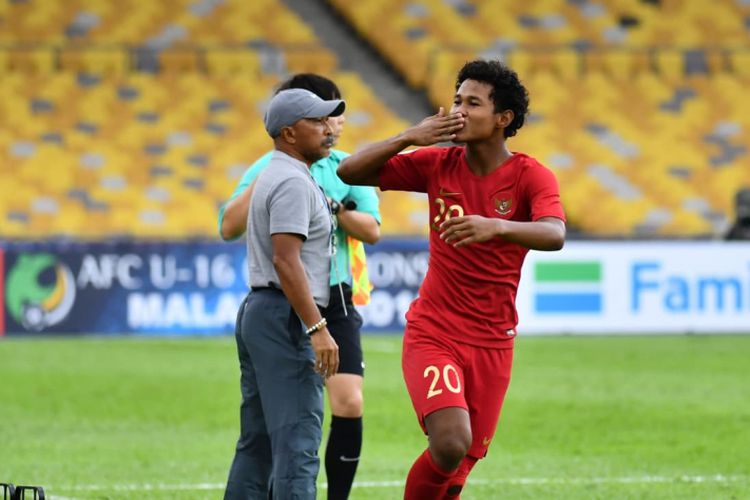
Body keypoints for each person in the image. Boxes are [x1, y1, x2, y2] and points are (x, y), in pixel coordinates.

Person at [337, 59, 566, 499]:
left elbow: (554, 233)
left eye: (473, 103)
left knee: (458, 468)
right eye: (457, 99)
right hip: (436, 331)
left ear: (504, 119)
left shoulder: (530, 175)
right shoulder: (437, 163)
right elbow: (350, 172)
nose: (459, 110)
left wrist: (497, 226)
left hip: (493, 340)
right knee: (449, 442)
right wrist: (407, 137)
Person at [219, 74, 381, 500]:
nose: (329, 129)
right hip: (289, 314)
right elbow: (286, 260)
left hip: (266, 308)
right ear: (290, 133)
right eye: (318, 121)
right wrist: (317, 328)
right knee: (298, 443)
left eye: (330, 121)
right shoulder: (292, 181)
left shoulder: (280, 173)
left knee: (257, 443)